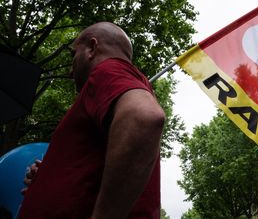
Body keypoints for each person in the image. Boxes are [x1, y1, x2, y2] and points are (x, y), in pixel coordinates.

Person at [18, 22, 166, 219]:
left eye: (73, 56)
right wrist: (49, 176)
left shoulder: (109, 69)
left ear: (92, 48)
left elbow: (144, 116)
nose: (71, 71)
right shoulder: (123, 83)